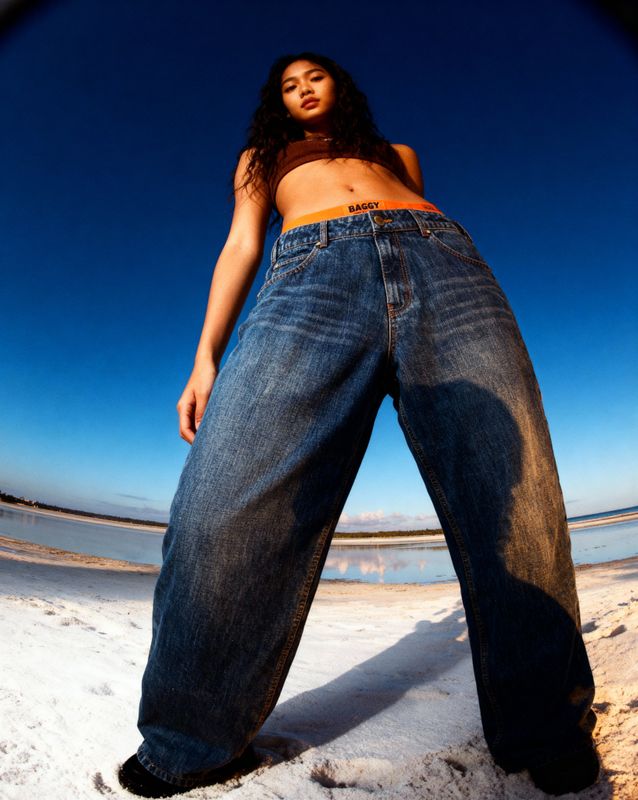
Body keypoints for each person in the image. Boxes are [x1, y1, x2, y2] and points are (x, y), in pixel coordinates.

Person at [117, 51, 600, 798]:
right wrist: (204, 357)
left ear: (339, 85)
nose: (303, 88)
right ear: (279, 103)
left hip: (442, 262)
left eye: (314, 76)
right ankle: (189, 739)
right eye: (288, 84)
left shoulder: (396, 153)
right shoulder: (261, 160)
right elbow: (242, 244)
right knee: (223, 497)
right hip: (311, 276)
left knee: (514, 499)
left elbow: (412, 213)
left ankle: (548, 727)